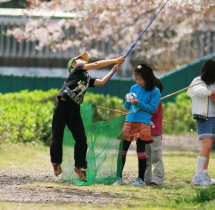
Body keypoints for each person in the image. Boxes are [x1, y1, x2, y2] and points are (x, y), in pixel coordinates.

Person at [50, 51, 125, 181]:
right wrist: (115, 60)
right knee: (57, 135)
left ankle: (79, 166)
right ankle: (56, 163)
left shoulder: (86, 78)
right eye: (80, 59)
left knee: (81, 139)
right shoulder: (77, 70)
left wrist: (113, 70)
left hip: (74, 109)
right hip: (62, 105)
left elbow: (101, 82)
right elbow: (96, 64)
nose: (84, 60)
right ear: (74, 64)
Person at [116, 63, 161, 187]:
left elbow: (152, 109)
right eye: (136, 79)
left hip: (143, 123)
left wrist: (138, 102)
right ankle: (118, 177)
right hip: (130, 120)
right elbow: (127, 107)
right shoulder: (134, 88)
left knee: (140, 151)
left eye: (141, 79)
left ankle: (140, 179)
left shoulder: (155, 91)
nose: (138, 82)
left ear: (148, 78)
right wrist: (128, 100)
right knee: (122, 149)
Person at [188, 58, 215, 186]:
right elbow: (197, 92)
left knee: (209, 148)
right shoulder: (198, 81)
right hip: (203, 117)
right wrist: (210, 93)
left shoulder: (214, 84)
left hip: (213, 117)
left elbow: (212, 97)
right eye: (214, 72)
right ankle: (198, 176)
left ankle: (205, 174)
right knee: (206, 147)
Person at [145, 77, 164, 186]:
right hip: (145, 131)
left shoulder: (156, 99)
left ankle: (158, 180)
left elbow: (153, 111)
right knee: (147, 157)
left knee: (156, 157)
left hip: (155, 132)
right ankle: (146, 178)